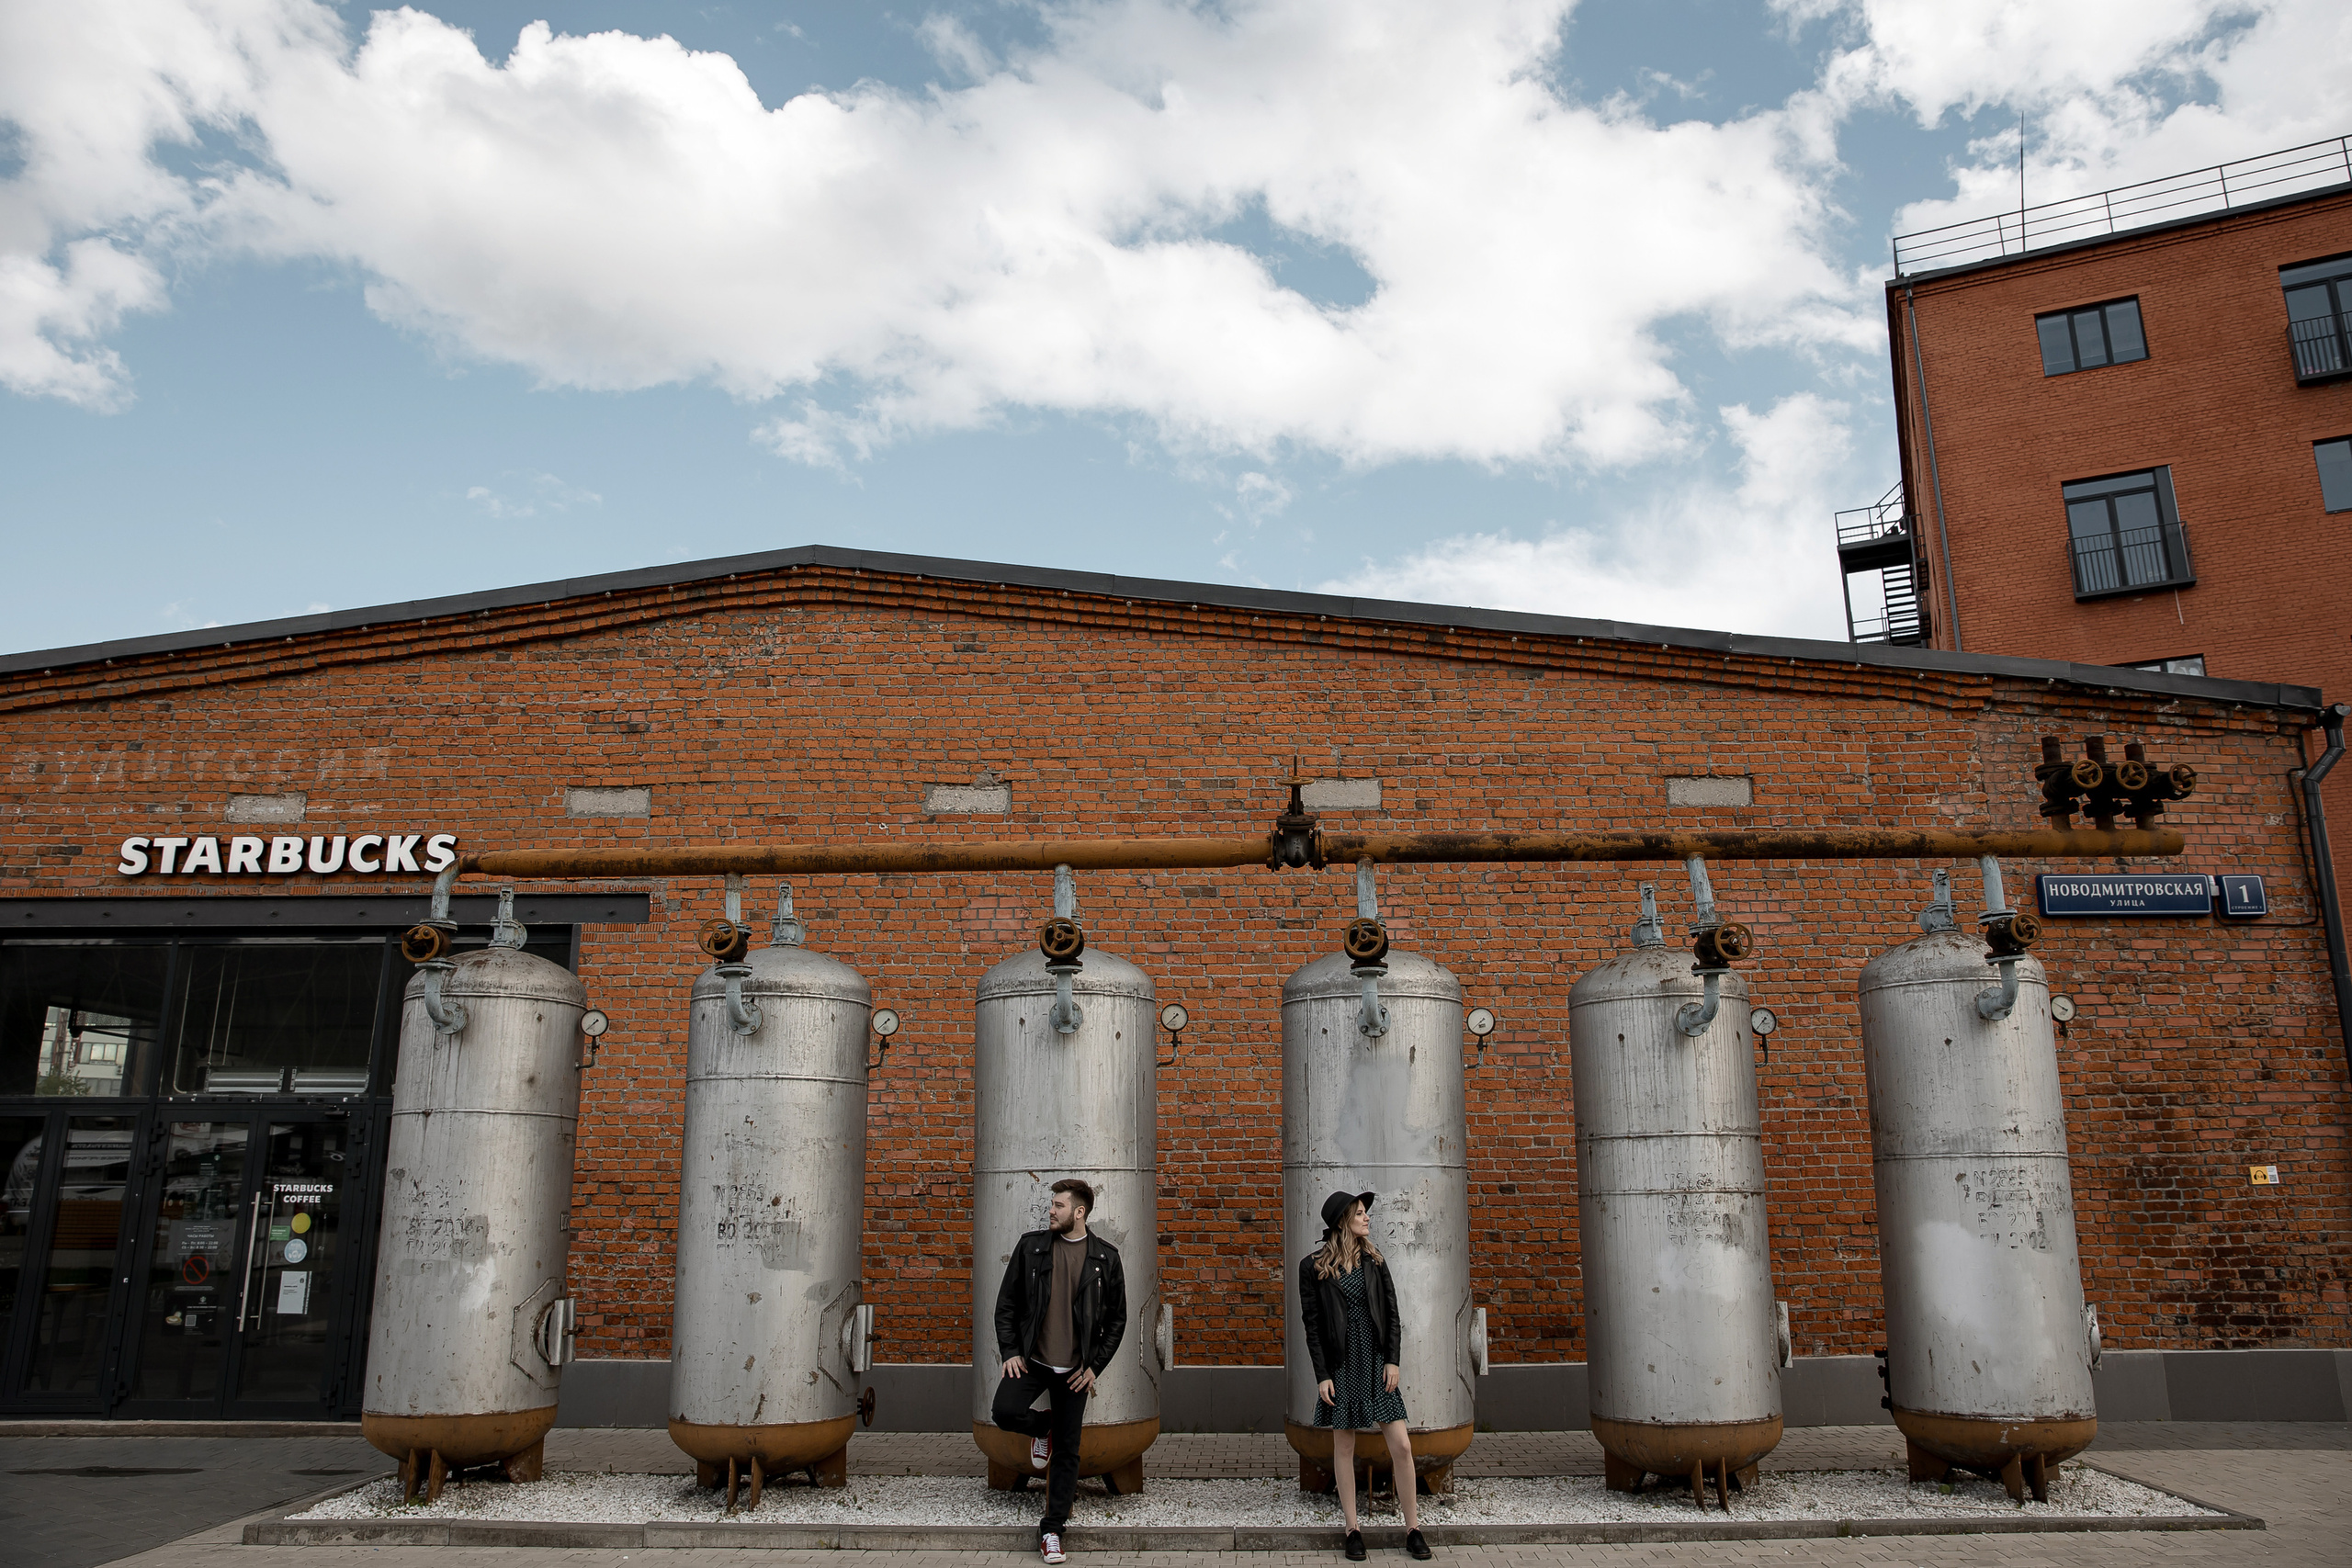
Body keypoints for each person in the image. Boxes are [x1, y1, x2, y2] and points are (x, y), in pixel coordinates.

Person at [992, 1177, 1128, 1564]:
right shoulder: (1031, 1247)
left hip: (1074, 1370)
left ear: (1079, 1212)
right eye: (1052, 1205)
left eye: (1059, 1205)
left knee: (1068, 1451)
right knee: (1004, 1412)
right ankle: (1042, 1426)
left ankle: (1052, 1530)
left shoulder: (1106, 1258)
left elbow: (1117, 1320)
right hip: (1033, 1361)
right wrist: (1010, 1351)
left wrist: (1094, 1367)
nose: (1051, 1210)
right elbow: (1007, 1305)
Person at [1299, 1190, 1430, 1561]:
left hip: (1374, 1362)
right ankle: (1352, 1529)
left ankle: (1413, 1528)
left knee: (1402, 1446)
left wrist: (1393, 1360)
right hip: (1342, 1365)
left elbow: (1392, 1314)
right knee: (1344, 1446)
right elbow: (1313, 1327)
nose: (1367, 1217)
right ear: (1344, 1220)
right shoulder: (1313, 1267)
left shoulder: (1375, 1260)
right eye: (1360, 1213)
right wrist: (1322, 1374)